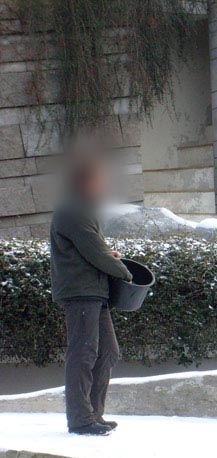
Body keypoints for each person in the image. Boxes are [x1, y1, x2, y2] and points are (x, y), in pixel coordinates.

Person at [50, 155, 133, 436]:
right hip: (81, 292)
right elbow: (94, 252)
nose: (104, 184)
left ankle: (93, 413)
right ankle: (80, 418)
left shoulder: (82, 209)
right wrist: (124, 271)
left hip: (94, 291)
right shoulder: (72, 210)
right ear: (85, 181)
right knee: (83, 353)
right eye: (100, 179)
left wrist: (110, 257)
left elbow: (92, 250)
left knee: (108, 351)